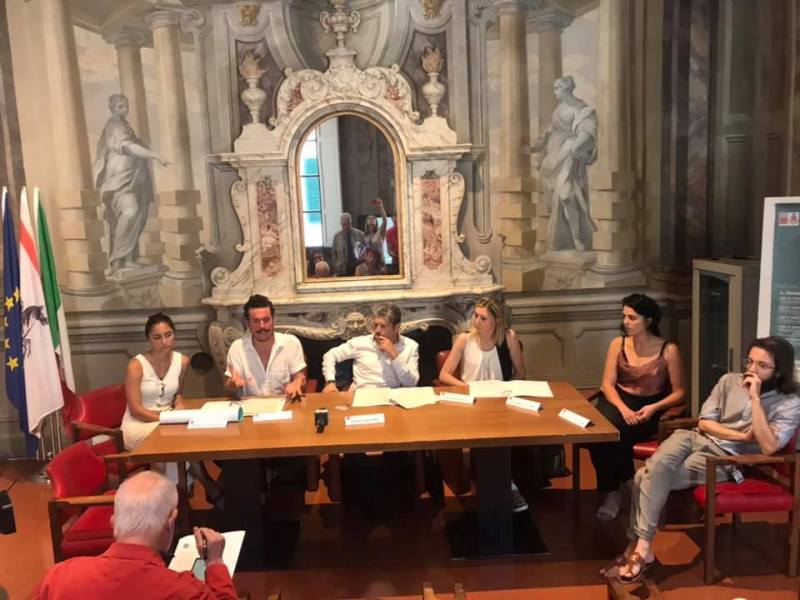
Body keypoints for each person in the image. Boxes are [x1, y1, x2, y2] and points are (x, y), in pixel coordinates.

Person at [606, 336, 800, 584]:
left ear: (779, 371)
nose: (751, 369)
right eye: (750, 361)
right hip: (693, 438)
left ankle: (638, 547)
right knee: (657, 466)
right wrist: (741, 435)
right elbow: (705, 422)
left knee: (644, 476)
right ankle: (642, 549)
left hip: (723, 458)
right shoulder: (729, 381)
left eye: (762, 366)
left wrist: (755, 398)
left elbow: (770, 445)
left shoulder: (789, 402)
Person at [33, 471, 237, 600]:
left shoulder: (58, 578)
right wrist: (215, 563)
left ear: (114, 522)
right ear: (170, 522)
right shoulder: (184, 590)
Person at [589, 294, 686, 521]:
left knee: (618, 433)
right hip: (618, 400)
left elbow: (680, 392)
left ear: (648, 320)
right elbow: (607, 384)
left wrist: (653, 407)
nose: (626, 322)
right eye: (624, 316)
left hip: (650, 405)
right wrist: (623, 409)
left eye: (632, 318)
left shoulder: (668, 350)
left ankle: (616, 490)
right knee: (601, 432)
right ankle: (621, 485)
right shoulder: (618, 343)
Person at [438, 297, 529, 512]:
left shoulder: (508, 338)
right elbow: (444, 374)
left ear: (496, 321)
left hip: (499, 400)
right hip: (471, 402)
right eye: (476, 316)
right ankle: (497, 486)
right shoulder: (464, 339)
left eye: (483, 318)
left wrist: (505, 390)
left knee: (505, 435)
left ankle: (507, 485)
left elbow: (520, 373)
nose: (476, 322)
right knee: (484, 437)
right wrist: (466, 387)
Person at [121, 313, 221, 506]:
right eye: (157, 337)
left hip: (168, 422)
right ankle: (197, 490)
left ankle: (175, 500)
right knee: (174, 440)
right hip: (138, 424)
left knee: (187, 436)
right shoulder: (136, 365)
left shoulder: (182, 361)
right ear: (149, 339)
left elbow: (177, 394)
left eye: (168, 335)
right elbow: (135, 409)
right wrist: (165, 419)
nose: (164, 341)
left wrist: (179, 403)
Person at [93, 94, 170, 274]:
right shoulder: (115, 125)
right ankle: (117, 259)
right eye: (120, 106)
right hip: (120, 180)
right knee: (130, 213)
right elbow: (128, 147)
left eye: (126, 106)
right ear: (112, 109)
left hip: (134, 179)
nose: (125, 109)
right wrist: (155, 155)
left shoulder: (124, 125)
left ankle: (127, 259)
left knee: (137, 217)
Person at [529, 75, 597, 253]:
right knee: (557, 202)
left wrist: (574, 147)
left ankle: (577, 238)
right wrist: (537, 145)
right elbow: (550, 130)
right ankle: (567, 239)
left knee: (567, 196)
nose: (554, 93)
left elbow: (587, 130)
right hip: (552, 162)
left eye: (557, 88)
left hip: (568, 158)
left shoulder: (581, 109)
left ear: (566, 89)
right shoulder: (559, 109)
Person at [225, 294, 307, 399]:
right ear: (248, 324)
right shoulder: (237, 348)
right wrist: (232, 384)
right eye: (256, 321)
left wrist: (297, 382)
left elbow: (301, 378)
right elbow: (228, 391)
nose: (262, 326)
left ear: (273, 320)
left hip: (283, 404)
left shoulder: (291, 343)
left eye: (266, 320)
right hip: (250, 406)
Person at [322, 303, 418, 391]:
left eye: (383, 326)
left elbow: (411, 384)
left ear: (397, 327)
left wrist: (394, 355)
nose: (377, 330)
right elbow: (330, 355)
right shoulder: (360, 342)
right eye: (375, 325)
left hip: (392, 395)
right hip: (362, 393)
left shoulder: (410, 346)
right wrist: (330, 382)